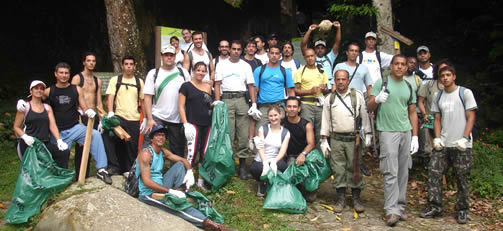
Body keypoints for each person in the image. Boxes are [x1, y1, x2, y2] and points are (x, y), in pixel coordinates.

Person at [17, 62, 112, 184]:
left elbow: (83, 106)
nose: (64, 75)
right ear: (55, 74)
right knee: (59, 155)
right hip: (57, 132)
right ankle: (60, 179)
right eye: (61, 73)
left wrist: (88, 111)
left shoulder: (76, 89)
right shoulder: (49, 90)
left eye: (66, 73)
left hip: (75, 127)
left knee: (96, 136)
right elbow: (36, 96)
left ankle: (102, 169)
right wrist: (22, 102)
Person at [137, 125, 231, 230]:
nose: (161, 138)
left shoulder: (163, 152)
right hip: (149, 193)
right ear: (151, 138)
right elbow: (147, 182)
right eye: (157, 135)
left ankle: (181, 190)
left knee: (180, 165)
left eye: (163, 135)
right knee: (177, 206)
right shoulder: (146, 153)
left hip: (161, 185)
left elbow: (184, 161)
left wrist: (190, 172)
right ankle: (211, 224)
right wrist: (170, 191)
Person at [420, 66, 477, 224]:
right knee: (434, 172)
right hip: (444, 144)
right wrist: (437, 138)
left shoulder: (464, 93)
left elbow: (471, 116)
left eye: (448, 75)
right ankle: (435, 206)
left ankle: (462, 209)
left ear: (454, 76)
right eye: (442, 76)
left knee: (462, 177)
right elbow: (437, 118)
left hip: (462, 145)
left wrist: (465, 138)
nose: (445, 78)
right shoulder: (438, 96)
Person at [367, 55, 418, 226]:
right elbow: (369, 106)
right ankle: (391, 210)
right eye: (397, 64)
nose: (400, 67)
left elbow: (412, 112)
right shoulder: (382, 83)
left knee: (403, 171)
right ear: (391, 66)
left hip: (405, 130)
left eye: (403, 64)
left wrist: (415, 135)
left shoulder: (409, 85)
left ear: (406, 68)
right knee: (390, 171)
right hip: (387, 131)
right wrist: (377, 99)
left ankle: (400, 207)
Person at [320, 70, 371, 213]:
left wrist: (367, 134)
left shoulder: (357, 96)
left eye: (343, 79)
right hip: (336, 139)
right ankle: (340, 198)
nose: (341, 82)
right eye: (338, 79)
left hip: (353, 140)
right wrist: (324, 140)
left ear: (348, 80)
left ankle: (356, 198)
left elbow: (364, 116)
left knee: (354, 167)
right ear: (334, 81)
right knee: (338, 168)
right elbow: (325, 120)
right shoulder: (329, 99)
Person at [214, 40, 257, 180]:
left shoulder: (245, 66)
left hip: (242, 99)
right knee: (228, 134)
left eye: (239, 49)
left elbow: (250, 86)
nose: (236, 51)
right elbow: (217, 84)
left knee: (243, 134)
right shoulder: (221, 64)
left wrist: (254, 104)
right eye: (234, 49)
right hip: (226, 98)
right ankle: (229, 165)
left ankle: (243, 167)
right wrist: (218, 102)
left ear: (242, 51)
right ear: (230, 50)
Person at [141, 45, 190, 158]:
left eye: (171, 55)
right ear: (162, 57)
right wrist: (149, 118)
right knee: (149, 145)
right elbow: (147, 97)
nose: (169, 57)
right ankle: (144, 172)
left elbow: (189, 93)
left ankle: (176, 173)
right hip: (157, 115)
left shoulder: (183, 73)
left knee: (177, 149)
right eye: (166, 55)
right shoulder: (153, 73)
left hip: (177, 117)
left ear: (175, 57)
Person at [103, 56, 145, 176]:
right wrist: (110, 112)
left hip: (134, 118)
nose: (128, 66)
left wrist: (146, 118)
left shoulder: (139, 82)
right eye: (126, 64)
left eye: (131, 64)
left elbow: (143, 101)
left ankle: (128, 170)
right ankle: (114, 166)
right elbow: (110, 96)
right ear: (122, 66)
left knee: (131, 146)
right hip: (119, 117)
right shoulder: (115, 80)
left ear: (134, 66)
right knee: (111, 139)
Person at [13, 80, 69, 168]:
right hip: (29, 144)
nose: (39, 90)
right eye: (36, 88)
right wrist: (25, 137)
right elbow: (16, 127)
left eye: (41, 89)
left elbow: (53, 126)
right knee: (35, 170)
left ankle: (59, 178)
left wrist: (59, 140)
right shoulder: (24, 107)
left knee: (63, 152)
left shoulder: (47, 108)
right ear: (31, 91)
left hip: (44, 143)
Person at [179, 62, 213, 190]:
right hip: (193, 123)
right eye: (198, 70)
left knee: (204, 152)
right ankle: (185, 179)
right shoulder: (186, 86)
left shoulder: (208, 87)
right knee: (191, 153)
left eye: (203, 71)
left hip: (207, 123)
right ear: (193, 71)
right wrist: (185, 123)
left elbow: (209, 104)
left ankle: (201, 180)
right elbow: (181, 106)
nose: (201, 73)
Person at [71, 52, 103, 179]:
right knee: (81, 146)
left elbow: (99, 100)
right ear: (84, 62)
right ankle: (79, 174)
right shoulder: (77, 78)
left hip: (93, 115)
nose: (91, 63)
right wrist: (77, 116)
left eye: (93, 61)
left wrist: (101, 118)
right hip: (81, 115)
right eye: (88, 60)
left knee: (93, 144)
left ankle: (88, 174)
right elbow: (73, 98)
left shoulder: (97, 80)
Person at [250, 105, 290, 197]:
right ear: (268, 117)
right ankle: (261, 183)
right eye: (271, 116)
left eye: (275, 115)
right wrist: (264, 162)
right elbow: (260, 147)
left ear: (280, 115)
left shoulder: (285, 132)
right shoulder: (263, 129)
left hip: (275, 159)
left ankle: (273, 182)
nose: (273, 118)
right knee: (255, 169)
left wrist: (274, 162)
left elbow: (283, 150)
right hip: (262, 158)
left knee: (283, 166)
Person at [253, 45, 295, 131]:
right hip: (264, 107)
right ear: (268, 55)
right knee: (260, 132)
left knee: (280, 133)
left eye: (276, 53)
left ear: (280, 56)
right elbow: (254, 90)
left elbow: (291, 91)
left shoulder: (285, 71)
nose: (274, 55)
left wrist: (290, 108)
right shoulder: (259, 70)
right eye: (272, 53)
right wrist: (254, 106)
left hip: (279, 106)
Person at [281, 96, 316, 201]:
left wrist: (303, 154)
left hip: (304, 155)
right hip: (289, 156)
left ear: (299, 109)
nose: (292, 109)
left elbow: (311, 144)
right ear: (285, 108)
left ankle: (310, 189)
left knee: (308, 170)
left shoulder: (306, 124)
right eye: (289, 106)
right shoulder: (281, 123)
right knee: (290, 171)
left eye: (294, 107)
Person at [293, 48, 329, 147]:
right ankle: (306, 155)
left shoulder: (321, 71)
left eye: (312, 56)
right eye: (308, 56)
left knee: (320, 131)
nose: (310, 58)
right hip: (306, 105)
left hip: (320, 104)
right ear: (304, 58)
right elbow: (295, 90)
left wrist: (324, 89)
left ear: (315, 56)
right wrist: (310, 91)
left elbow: (326, 90)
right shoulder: (300, 71)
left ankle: (318, 156)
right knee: (307, 130)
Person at [417, 59, 452, 158]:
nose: (444, 73)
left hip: (448, 122)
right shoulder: (429, 85)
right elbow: (420, 101)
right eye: (441, 70)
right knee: (433, 147)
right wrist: (424, 114)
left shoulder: (453, 87)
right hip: (431, 121)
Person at [301, 21, 341, 89]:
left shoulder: (330, 57)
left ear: (325, 49)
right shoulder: (311, 58)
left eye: (322, 48)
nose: (320, 50)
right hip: (315, 87)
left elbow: (337, 43)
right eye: (318, 48)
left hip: (329, 88)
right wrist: (309, 30)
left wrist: (338, 28)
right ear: (314, 49)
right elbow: (303, 45)